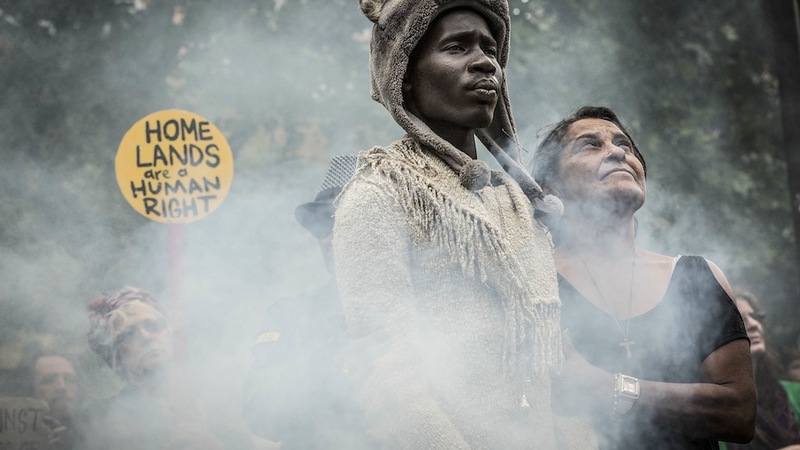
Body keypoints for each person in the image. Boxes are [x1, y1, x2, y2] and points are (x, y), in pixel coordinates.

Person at [333, 1, 592, 448]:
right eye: (456, 47)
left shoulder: (516, 201)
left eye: (490, 49)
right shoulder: (381, 191)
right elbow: (386, 379)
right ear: (405, 74)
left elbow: (551, 375)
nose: (484, 62)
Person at [531, 105, 757, 449]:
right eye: (590, 145)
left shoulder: (696, 276)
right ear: (551, 187)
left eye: (625, 145)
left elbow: (740, 414)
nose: (618, 151)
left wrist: (609, 388)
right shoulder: (534, 282)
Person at [242, 154, 369, 449]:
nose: (329, 239)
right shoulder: (290, 315)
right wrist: (327, 357)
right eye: (322, 227)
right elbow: (260, 413)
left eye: (343, 221)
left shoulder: (420, 307)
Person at [75, 286, 226, 450]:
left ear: (169, 333)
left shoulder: (216, 405)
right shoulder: (98, 418)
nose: (146, 337)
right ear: (115, 356)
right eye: (129, 334)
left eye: (153, 326)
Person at [722, 291, 800, 450]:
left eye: (756, 317)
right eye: (742, 319)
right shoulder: (713, 410)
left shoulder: (796, 393)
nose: (754, 324)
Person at [31, 352, 80, 449]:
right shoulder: (14, 437)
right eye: (49, 380)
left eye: (69, 379)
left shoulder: (98, 431)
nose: (62, 387)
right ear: (32, 390)